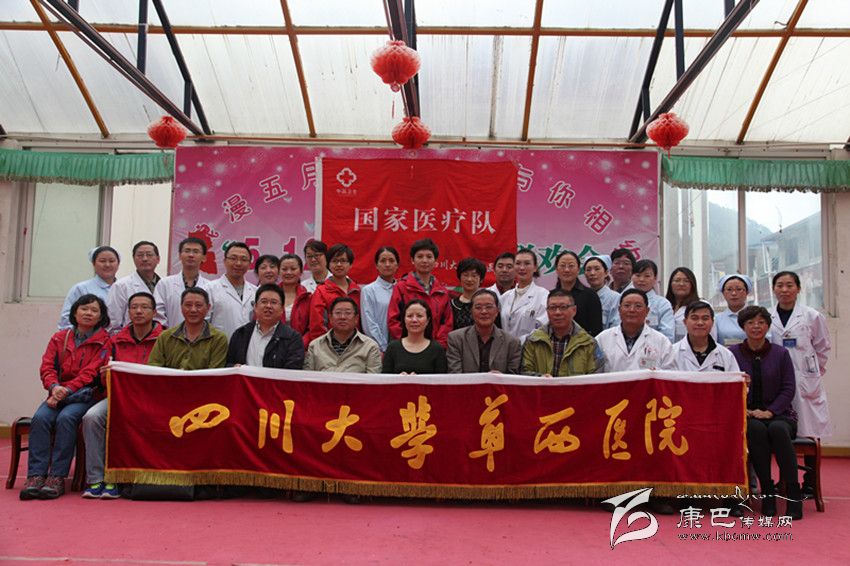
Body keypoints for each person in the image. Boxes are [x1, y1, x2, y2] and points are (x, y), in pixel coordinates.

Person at [21, 294, 110, 500]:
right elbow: (47, 367)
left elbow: (91, 373)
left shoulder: (105, 341)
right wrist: (54, 387)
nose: (88, 313)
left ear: (101, 316)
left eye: (94, 310)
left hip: (85, 395)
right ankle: (36, 475)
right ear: (75, 312)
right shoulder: (59, 338)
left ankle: (57, 477)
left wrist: (66, 390)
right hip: (57, 393)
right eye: (84, 309)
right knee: (40, 418)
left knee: (66, 418)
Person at [81, 291, 164, 499]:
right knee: (91, 417)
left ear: (154, 312)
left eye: (144, 307)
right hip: (119, 398)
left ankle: (120, 477)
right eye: (134, 307)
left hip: (153, 400)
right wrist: (105, 375)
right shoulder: (116, 341)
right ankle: (96, 478)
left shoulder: (165, 338)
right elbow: (103, 376)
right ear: (128, 312)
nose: (139, 311)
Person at [730, 306, 802, 519]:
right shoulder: (732, 353)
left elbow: (788, 388)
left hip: (780, 414)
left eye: (761, 322)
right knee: (756, 430)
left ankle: (793, 492)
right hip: (748, 415)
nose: (756, 327)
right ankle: (767, 492)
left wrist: (771, 411)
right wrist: (744, 409)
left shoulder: (781, 353)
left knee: (778, 429)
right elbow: (729, 385)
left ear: (768, 326)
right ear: (743, 327)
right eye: (751, 322)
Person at [769, 270, 831, 498]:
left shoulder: (812, 316)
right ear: (774, 289)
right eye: (780, 285)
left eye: (789, 285)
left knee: (810, 432)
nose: (784, 290)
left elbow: (823, 347)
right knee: (781, 434)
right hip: (778, 382)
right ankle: (785, 481)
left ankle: (810, 483)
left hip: (806, 381)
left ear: (798, 288)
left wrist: (812, 373)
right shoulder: (767, 316)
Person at [387, 238, 453, 348]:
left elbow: (447, 323)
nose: (425, 261)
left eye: (429, 257)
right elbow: (393, 320)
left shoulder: (442, 291)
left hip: (435, 348)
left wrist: (437, 345)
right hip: (407, 348)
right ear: (412, 260)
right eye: (420, 256)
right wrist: (408, 343)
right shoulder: (401, 287)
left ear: (435, 261)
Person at [522, 289, 603, 377]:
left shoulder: (588, 344)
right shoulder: (533, 341)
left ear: (574, 310)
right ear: (547, 311)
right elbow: (524, 372)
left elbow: (595, 378)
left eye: (563, 307)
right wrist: (540, 378)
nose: (558, 312)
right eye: (553, 308)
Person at [596, 289, 676, 372]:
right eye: (627, 305)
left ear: (647, 311)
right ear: (619, 310)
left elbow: (669, 374)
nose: (632, 310)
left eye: (638, 306)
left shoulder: (661, 341)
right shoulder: (602, 339)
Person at [227, 284, 305, 369]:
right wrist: (234, 367)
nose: (268, 306)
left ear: (282, 309)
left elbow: (292, 372)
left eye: (273, 302)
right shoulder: (240, 334)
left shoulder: (293, 338)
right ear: (255, 306)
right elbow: (228, 365)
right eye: (264, 302)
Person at [148, 287, 228, 369]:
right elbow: (154, 368)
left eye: (198, 305)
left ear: (208, 308)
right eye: (188, 305)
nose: (193, 310)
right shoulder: (165, 337)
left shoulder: (218, 339)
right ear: (181, 307)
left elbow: (214, 373)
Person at [447, 290, 521, 374]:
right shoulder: (456, 339)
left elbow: (513, 377)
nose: (484, 311)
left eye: (489, 307)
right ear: (471, 311)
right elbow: (455, 376)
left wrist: (501, 378)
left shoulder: (512, 343)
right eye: (478, 307)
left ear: (497, 311)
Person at [304, 297, 382, 373]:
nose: (342, 317)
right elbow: (307, 378)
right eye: (338, 313)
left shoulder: (370, 347)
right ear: (330, 318)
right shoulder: (315, 346)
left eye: (348, 313)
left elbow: (373, 379)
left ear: (356, 318)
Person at [307, 244, 360, 343]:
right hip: (328, 345)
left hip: (355, 344)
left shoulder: (357, 291)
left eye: (343, 261)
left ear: (351, 264)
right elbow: (317, 325)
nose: (339, 265)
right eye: (335, 261)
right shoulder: (321, 291)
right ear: (329, 264)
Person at [154, 237, 212, 328]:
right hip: (170, 335)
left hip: (201, 336)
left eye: (196, 251)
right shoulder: (164, 284)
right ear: (179, 255)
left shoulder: (210, 287)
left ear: (204, 257)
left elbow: (210, 315)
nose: (191, 255)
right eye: (187, 251)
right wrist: (168, 333)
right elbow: (158, 314)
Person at [106, 241, 161, 334]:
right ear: (134, 259)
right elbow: (112, 322)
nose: (145, 259)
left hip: (161, 338)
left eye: (149, 255)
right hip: (129, 339)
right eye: (140, 255)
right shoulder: (121, 286)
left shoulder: (164, 285)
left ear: (158, 259)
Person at [613, 259, 675, 341]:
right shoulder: (621, 299)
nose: (641, 279)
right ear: (631, 276)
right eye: (638, 275)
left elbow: (667, 336)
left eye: (647, 276)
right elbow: (614, 327)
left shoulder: (662, 304)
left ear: (655, 278)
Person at [58, 246, 120, 329]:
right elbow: (66, 320)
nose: (107, 265)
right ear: (93, 264)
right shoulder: (80, 288)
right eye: (102, 261)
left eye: (111, 261)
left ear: (118, 264)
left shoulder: (123, 287)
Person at [382, 299, 448, 374]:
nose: (414, 320)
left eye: (419, 316)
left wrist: (418, 379)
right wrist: (398, 379)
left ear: (427, 320)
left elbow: (442, 380)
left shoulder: (437, 349)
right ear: (404, 320)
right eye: (410, 316)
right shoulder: (392, 348)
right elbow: (385, 378)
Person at [208, 242, 258, 339]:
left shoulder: (256, 292)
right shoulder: (210, 289)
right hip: (221, 346)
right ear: (224, 261)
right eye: (233, 258)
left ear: (249, 264)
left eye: (244, 259)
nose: (238, 263)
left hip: (249, 346)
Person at [672, 301, 739, 372]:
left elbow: (735, 378)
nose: (700, 323)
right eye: (694, 318)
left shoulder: (726, 355)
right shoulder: (672, 353)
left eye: (705, 318)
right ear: (685, 322)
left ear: (712, 322)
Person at [499, 249, 548, 344]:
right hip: (505, 349)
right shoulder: (505, 297)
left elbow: (543, 328)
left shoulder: (543, 295)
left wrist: (518, 342)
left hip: (531, 349)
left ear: (535, 267)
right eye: (518, 263)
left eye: (527, 263)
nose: (522, 268)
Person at [553, 251, 603, 336]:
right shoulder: (551, 296)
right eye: (562, 265)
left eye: (571, 266)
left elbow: (597, 330)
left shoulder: (590, 295)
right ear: (556, 270)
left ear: (578, 270)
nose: (567, 270)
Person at [360, 246, 399, 352]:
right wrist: (384, 348)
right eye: (383, 261)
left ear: (397, 265)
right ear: (376, 265)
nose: (387, 264)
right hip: (378, 349)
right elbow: (369, 324)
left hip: (402, 348)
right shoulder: (368, 290)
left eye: (391, 261)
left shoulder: (402, 289)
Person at [715, 274, 756, 346]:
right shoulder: (716, 319)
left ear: (747, 292)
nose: (734, 293)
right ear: (723, 293)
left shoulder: (756, 316)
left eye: (739, 289)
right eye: (729, 289)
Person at [278, 253, 312, 339]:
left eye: (293, 269)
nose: (288, 272)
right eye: (284, 269)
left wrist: (299, 344)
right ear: (279, 271)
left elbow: (312, 327)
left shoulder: (308, 297)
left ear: (301, 271)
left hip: (301, 344)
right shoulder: (270, 295)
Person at [582, 255, 619, 331]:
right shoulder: (582, 296)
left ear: (606, 273)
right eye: (588, 270)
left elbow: (616, 326)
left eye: (597, 269)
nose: (592, 273)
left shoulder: (616, 298)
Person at [666, 267, 701, 342]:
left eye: (686, 281)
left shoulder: (701, 305)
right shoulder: (664, 305)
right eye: (677, 280)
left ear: (692, 284)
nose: (681, 284)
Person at [451, 257, 487, 330]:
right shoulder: (452, 305)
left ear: (481, 279)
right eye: (465, 275)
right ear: (459, 277)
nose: (469, 279)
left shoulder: (488, 303)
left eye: (474, 276)